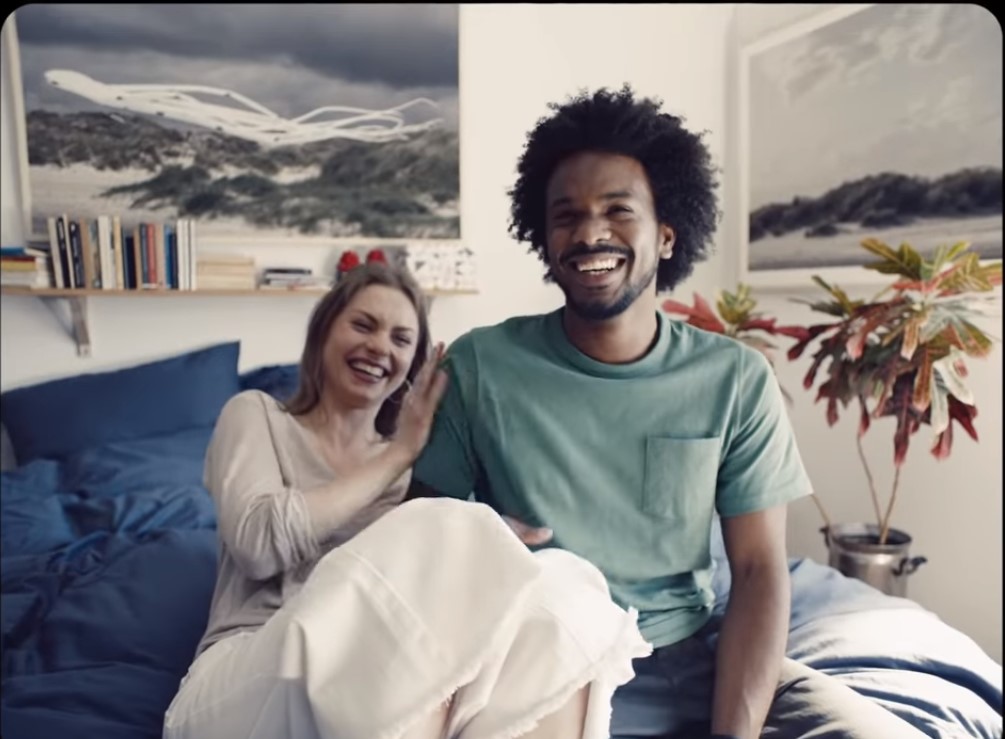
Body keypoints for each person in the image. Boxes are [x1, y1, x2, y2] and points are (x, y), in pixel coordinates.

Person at [409, 86, 929, 739]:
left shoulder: (734, 378)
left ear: (665, 234)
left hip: (697, 656)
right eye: (566, 215)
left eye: (617, 210)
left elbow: (757, 570)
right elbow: (422, 537)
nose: (589, 232)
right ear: (543, 238)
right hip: (549, 664)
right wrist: (478, 537)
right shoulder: (481, 365)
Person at [162, 262, 652, 739]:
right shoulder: (256, 415)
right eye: (363, 325)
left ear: (413, 363)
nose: (380, 346)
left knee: (562, 589)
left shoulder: (411, 478)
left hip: (362, 684)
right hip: (243, 680)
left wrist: (490, 536)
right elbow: (258, 544)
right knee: (435, 528)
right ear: (323, 332)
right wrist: (398, 455)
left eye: (401, 339)